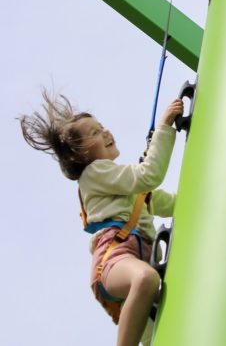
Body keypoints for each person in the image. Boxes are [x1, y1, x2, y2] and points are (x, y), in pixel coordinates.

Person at [20, 89, 183, 346]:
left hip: (141, 267)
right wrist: (164, 127)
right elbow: (148, 175)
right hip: (116, 259)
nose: (105, 132)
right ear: (79, 156)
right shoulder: (93, 173)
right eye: (94, 133)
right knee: (145, 279)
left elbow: (172, 204)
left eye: (102, 127)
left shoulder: (126, 187)